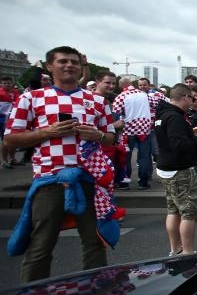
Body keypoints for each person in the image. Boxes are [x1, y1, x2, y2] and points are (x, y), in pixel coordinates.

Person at [4, 46, 115, 282]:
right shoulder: (31, 98)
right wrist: (47, 132)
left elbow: (110, 137)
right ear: (49, 66)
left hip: (90, 180)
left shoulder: (96, 100)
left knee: (95, 241)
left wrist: (96, 135)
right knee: (42, 244)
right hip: (50, 180)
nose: (69, 66)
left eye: (74, 62)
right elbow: (11, 139)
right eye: (63, 61)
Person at [154, 84, 197, 256]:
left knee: (173, 209)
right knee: (189, 212)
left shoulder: (163, 114)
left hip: (165, 167)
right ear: (184, 97)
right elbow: (180, 146)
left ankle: (175, 249)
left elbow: (171, 140)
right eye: (192, 98)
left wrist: (188, 133)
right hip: (179, 169)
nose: (193, 101)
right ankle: (188, 253)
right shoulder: (175, 118)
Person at [112, 77, 153, 189]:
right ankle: (143, 182)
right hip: (144, 129)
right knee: (144, 157)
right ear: (131, 84)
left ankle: (125, 183)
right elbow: (153, 107)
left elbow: (115, 115)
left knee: (125, 157)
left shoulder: (121, 96)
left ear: (121, 86)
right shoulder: (144, 95)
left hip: (127, 130)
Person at [0, 75, 20, 169]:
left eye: (8, 83)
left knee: (14, 139)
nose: (7, 85)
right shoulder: (0, 93)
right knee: (5, 140)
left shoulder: (15, 92)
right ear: (1, 84)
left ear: (12, 84)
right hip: (2, 120)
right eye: (4, 83)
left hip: (13, 119)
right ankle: (4, 161)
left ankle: (12, 159)